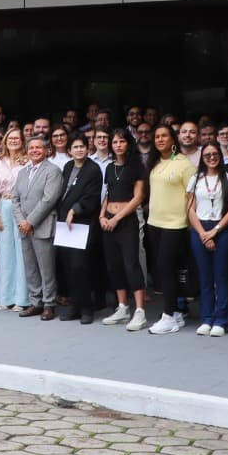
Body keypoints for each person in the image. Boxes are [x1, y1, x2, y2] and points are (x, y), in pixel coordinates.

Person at [145, 124, 196, 335]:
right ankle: (174, 312)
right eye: (157, 136)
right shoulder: (156, 162)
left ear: (173, 139)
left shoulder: (184, 164)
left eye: (164, 136)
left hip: (175, 224)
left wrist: (191, 225)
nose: (160, 139)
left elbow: (191, 197)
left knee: (167, 268)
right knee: (162, 270)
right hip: (154, 222)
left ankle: (168, 316)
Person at [186, 140, 228, 337]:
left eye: (215, 154)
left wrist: (215, 231)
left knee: (221, 276)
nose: (211, 158)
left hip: (221, 228)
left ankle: (221, 319)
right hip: (200, 228)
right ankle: (207, 318)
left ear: (220, 155)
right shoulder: (196, 178)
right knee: (205, 277)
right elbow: (190, 208)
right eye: (207, 155)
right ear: (202, 158)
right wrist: (202, 233)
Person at [100, 129, 149, 331]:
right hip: (108, 220)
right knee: (114, 264)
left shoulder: (137, 166)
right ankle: (122, 307)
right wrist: (102, 215)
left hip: (127, 220)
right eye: (115, 142)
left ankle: (140, 311)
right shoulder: (110, 168)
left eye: (122, 141)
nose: (118, 145)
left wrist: (117, 218)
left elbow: (138, 198)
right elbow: (107, 194)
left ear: (128, 144)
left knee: (131, 264)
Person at [14, 136, 66, 319]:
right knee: (31, 267)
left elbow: (49, 199)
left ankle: (49, 304)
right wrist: (22, 221)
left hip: (42, 226)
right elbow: (15, 199)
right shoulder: (22, 172)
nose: (34, 150)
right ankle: (35, 302)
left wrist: (30, 221)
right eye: (31, 148)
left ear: (46, 150)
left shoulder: (53, 171)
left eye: (38, 147)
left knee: (46, 268)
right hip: (24, 227)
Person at [55, 136, 103, 325]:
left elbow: (91, 197)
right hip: (65, 224)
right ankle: (74, 306)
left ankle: (86, 308)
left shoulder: (93, 169)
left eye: (82, 146)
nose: (79, 150)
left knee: (81, 266)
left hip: (83, 223)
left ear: (87, 148)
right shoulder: (67, 167)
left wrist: (75, 210)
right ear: (69, 150)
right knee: (68, 266)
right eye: (75, 147)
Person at [0, 127, 29, 311]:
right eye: (10, 138)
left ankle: (22, 300)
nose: (13, 141)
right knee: (5, 253)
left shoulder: (28, 161)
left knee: (22, 252)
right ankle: (5, 298)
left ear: (22, 141)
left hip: (21, 207)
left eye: (17, 138)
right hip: (3, 206)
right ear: (5, 141)